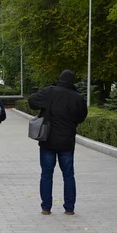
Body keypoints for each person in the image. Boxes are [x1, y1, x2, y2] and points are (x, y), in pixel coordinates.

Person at [28, 69, 88, 216]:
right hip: (67, 142)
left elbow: (32, 101)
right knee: (68, 175)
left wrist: (46, 107)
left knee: (46, 174)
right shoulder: (77, 98)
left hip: (48, 140)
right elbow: (81, 117)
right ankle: (69, 208)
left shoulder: (50, 92)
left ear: (60, 79)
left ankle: (46, 208)